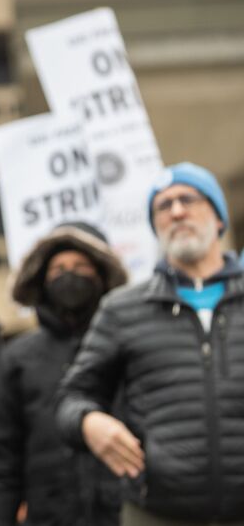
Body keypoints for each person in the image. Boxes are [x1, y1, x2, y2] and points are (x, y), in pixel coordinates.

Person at [56, 162, 244, 525]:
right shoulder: (123, 308)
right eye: (162, 205)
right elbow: (70, 398)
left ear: (219, 217)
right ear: (155, 225)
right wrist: (88, 421)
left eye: (188, 198)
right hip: (156, 512)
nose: (176, 211)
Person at [0, 223, 128, 526]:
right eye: (58, 268)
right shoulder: (18, 357)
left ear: (101, 276)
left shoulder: (127, 346)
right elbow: (1, 458)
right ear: (42, 280)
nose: (68, 275)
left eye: (80, 266)